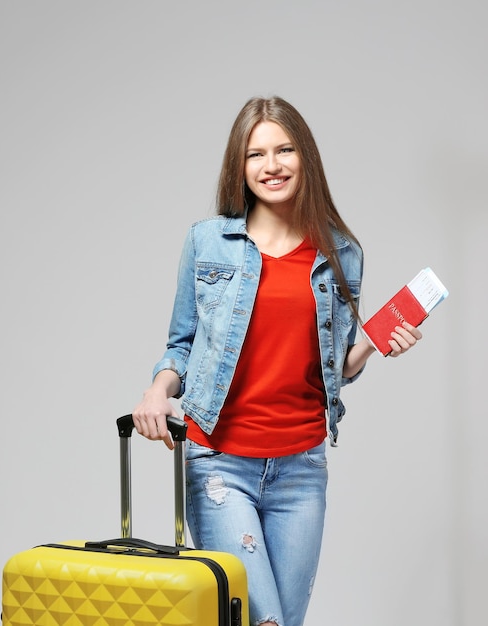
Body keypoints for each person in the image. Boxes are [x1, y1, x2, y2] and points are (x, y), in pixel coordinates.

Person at [132, 96, 421, 626]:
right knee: (262, 623)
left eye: (285, 149)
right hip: (221, 462)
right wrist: (158, 390)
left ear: (304, 157)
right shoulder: (208, 242)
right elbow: (182, 343)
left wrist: (377, 346)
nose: (272, 165)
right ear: (238, 168)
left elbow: (333, 369)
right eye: (256, 154)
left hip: (302, 469)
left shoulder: (341, 252)